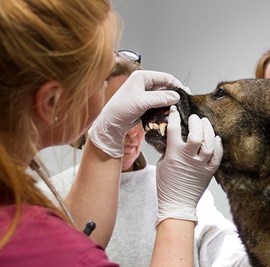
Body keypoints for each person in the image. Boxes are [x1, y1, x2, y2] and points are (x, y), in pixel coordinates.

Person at [0, 1, 223, 266]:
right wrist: (178, 209)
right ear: (52, 101)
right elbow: (69, 252)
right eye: (105, 77)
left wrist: (106, 137)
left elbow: (80, 235)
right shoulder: (32, 241)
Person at [38, 52, 250, 266]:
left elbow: (226, 251)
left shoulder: (179, 183)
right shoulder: (46, 196)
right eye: (114, 114)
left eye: (137, 116)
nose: (129, 133)